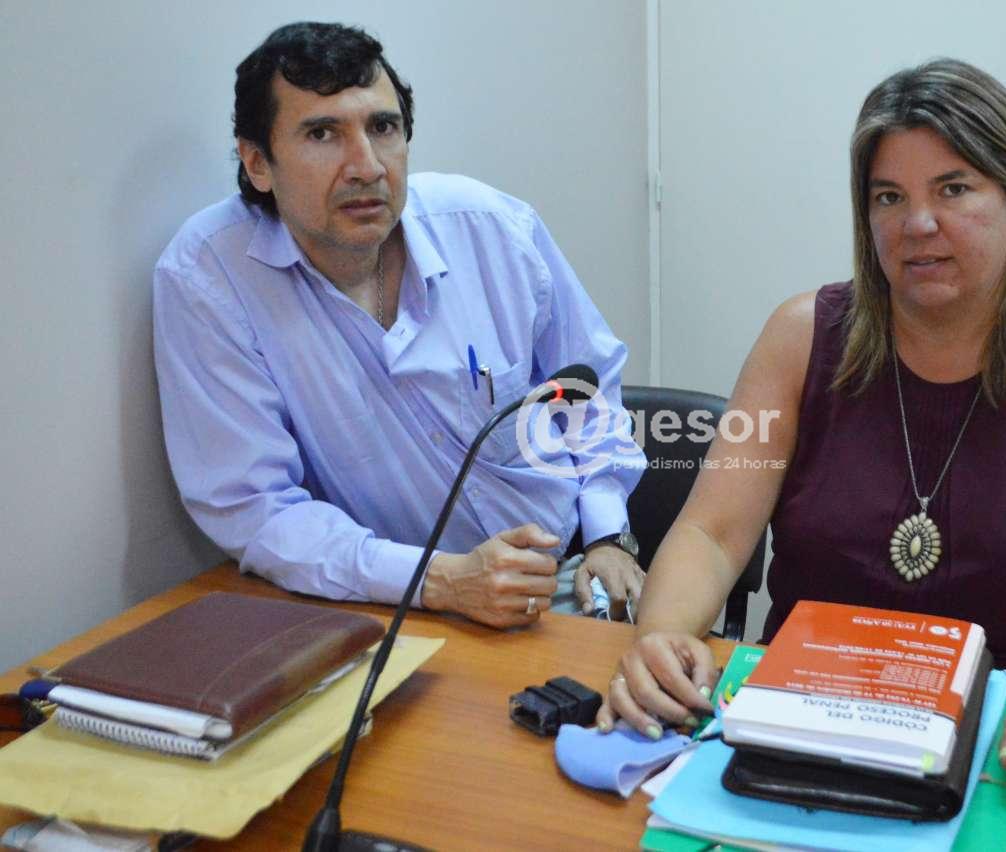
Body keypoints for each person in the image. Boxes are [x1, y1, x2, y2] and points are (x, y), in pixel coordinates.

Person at [597, 59, 1006, 802]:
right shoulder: (800, 336)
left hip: (994, 740)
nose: (918, 224)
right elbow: (712, 534)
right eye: (890, 196)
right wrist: (660, 637)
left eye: (953, 189)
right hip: (794, 722)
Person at [153, 22, 646, 628]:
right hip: (380, 602)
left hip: (567, 576)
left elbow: (590, 388)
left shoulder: (491, 229)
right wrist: (440, 581)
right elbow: (256, 508)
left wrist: (608, 536)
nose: (366, 166)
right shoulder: (212, 277)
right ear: (258, 163)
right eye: (322, 134)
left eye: (382, 128)